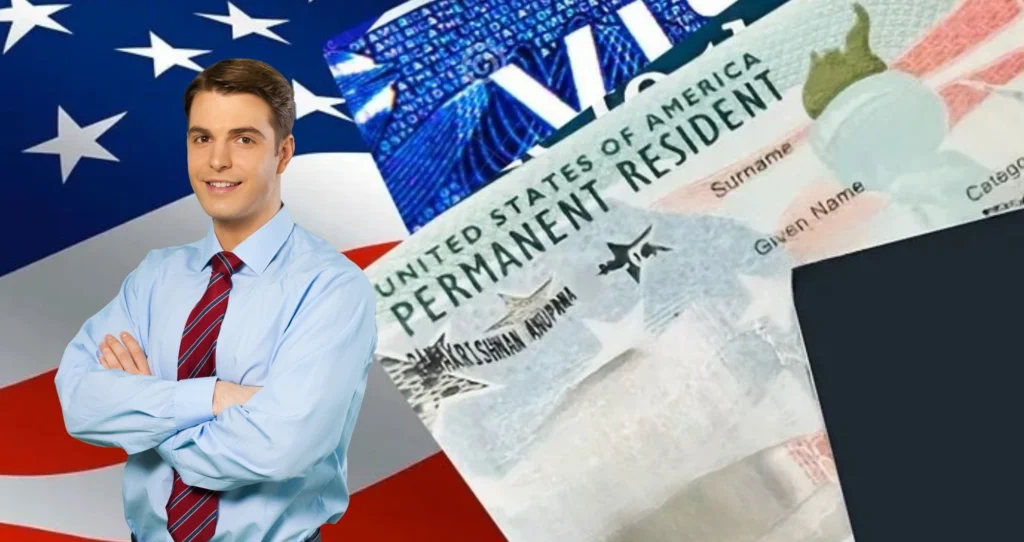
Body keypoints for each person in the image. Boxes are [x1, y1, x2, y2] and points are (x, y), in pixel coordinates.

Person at [53, 58, 378, 542]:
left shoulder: (331, 288)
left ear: (284, 153)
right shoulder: (154, 276)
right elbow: (80, 402)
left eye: (244, 139)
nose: (217, 161)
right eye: (202, 138)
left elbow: (277, 448)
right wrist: (215, 397)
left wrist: (146, 411)